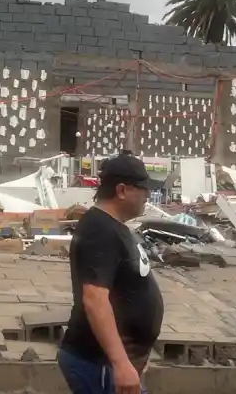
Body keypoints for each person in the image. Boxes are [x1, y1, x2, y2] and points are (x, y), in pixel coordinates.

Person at [58, 153, 164, 394]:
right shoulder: (100, 230)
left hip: (114, 362)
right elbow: (95, 299)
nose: (148, 196)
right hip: (99, 363)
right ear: (122, 190)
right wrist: (120, 362)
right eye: (144, 189)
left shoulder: (112, 226)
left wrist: (135, 357)